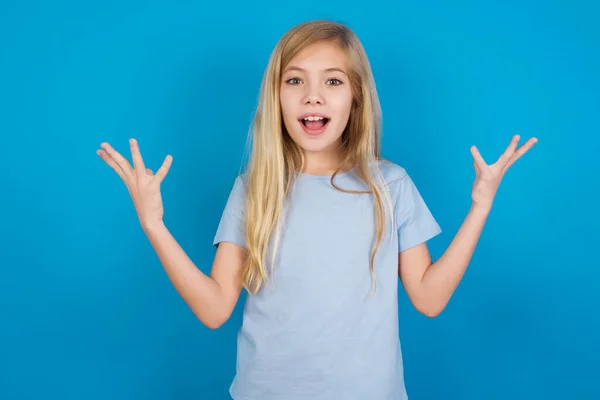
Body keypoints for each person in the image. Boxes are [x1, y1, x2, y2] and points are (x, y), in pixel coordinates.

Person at [96, 19, 537, 400]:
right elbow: (214, 309)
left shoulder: (391, 184)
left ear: (356, 97)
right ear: (277, 97)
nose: (313, 96)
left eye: (332, 80)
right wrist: (154, 225)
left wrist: (480, 207)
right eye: (295, 80)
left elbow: (429, 297)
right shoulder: (253, 189)